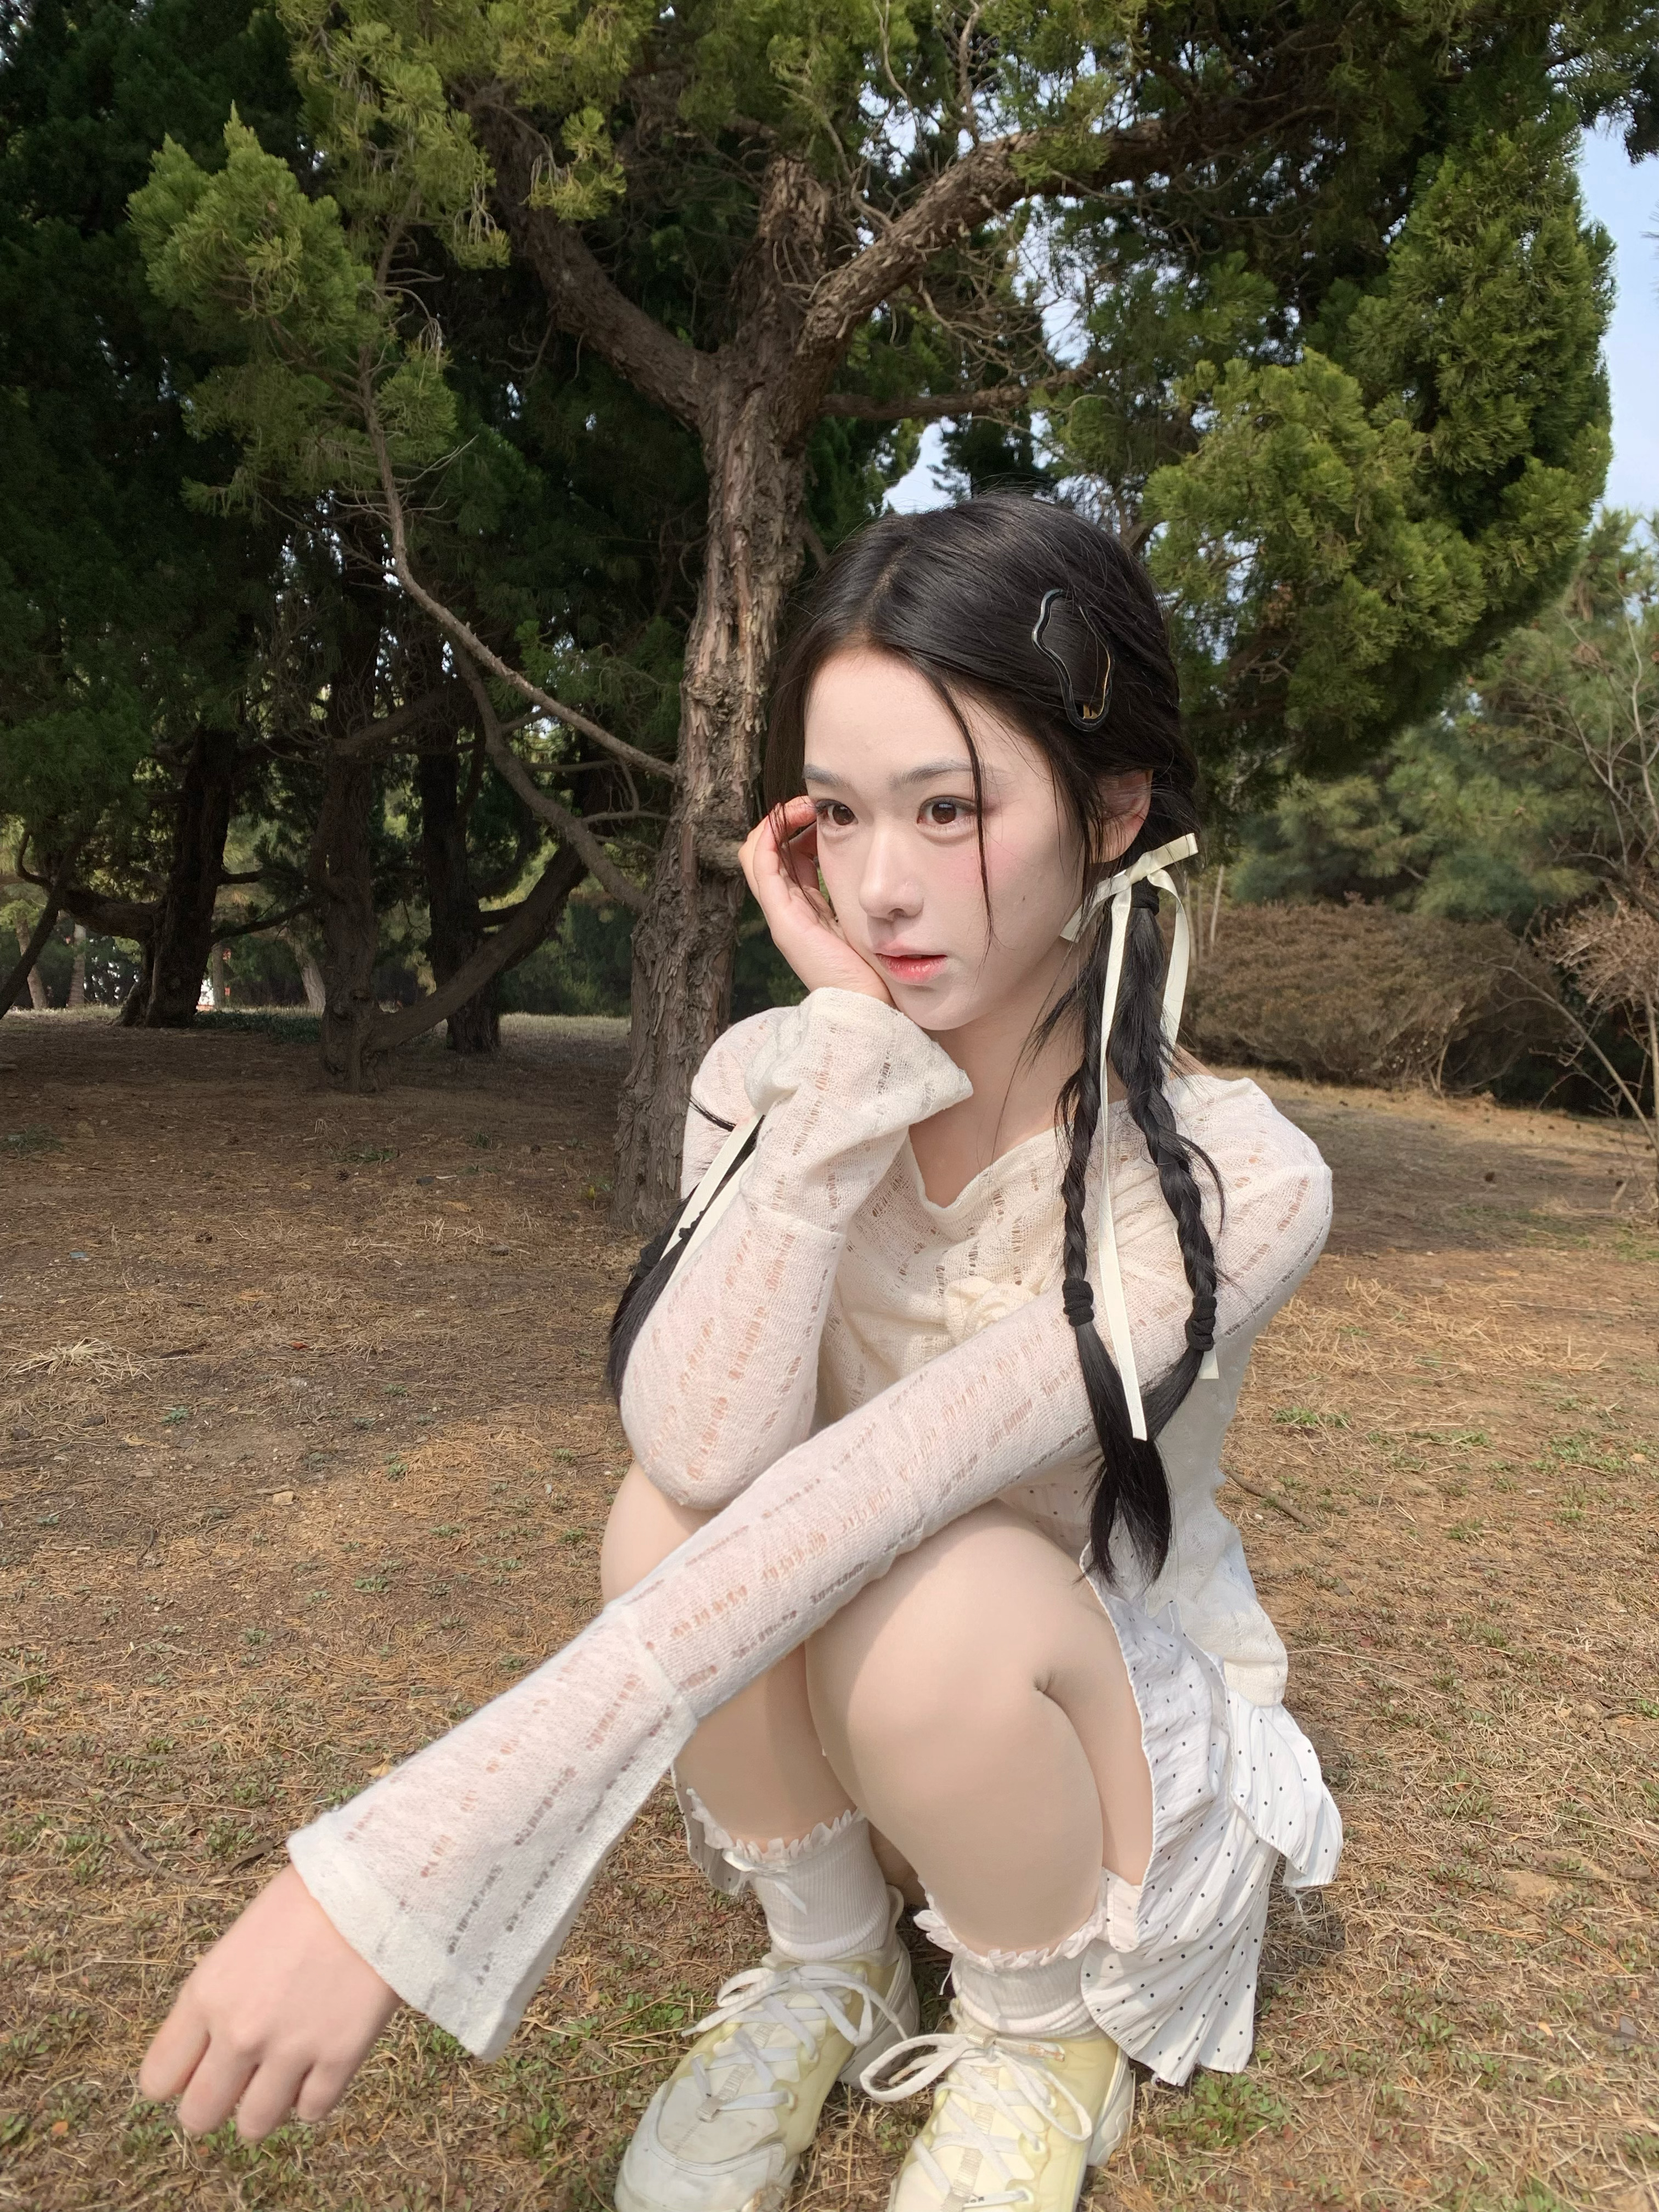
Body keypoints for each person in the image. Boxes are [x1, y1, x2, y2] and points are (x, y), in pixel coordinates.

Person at [138, 493, 1342, 2212]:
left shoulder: (1232, 1177)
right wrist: (844, 1054)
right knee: (661, 1514)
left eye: (950, 808)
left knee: (945, 1598)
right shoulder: (776, 1078)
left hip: (1074, 1722)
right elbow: (708, 1455)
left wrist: (419, 1849)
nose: (882, 884)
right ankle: (837, 1958)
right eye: (838, 813)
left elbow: (895, 1478)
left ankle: (1044, 2027)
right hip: (845, 1675)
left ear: (1113, 811)